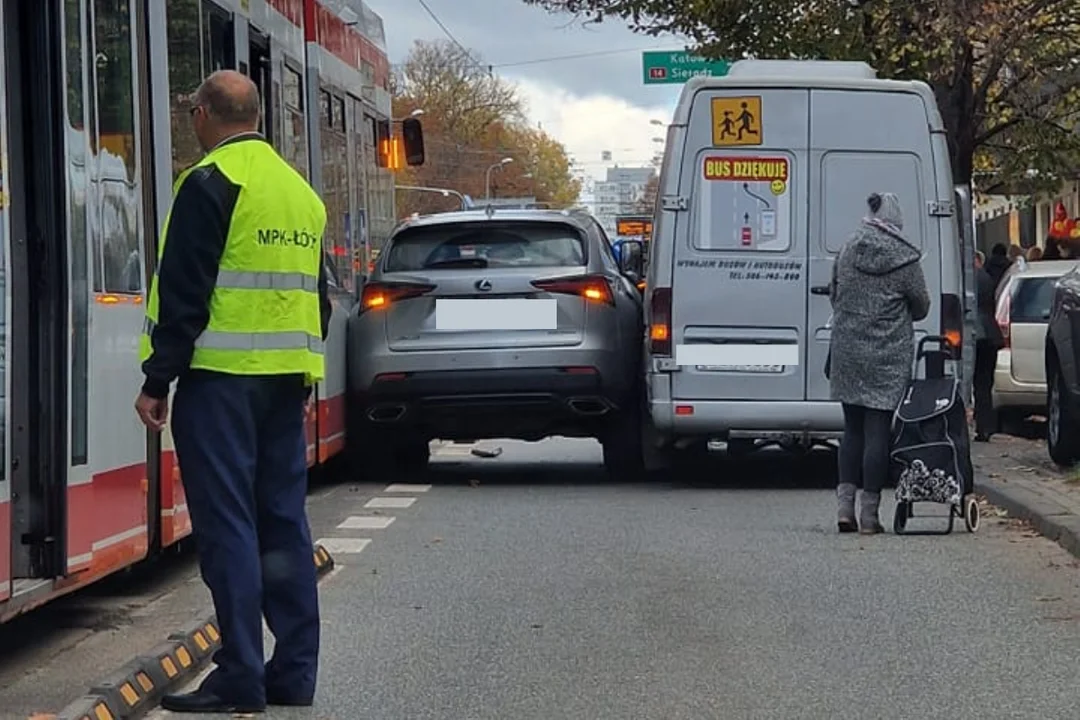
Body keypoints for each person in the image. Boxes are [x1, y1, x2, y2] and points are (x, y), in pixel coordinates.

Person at [134, 70, 331, 713]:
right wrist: (302, 375)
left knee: (228, 530)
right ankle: (295, 675)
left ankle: (240, 674)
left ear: (202, 115)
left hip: (220, 384)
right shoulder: (301, 193)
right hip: (284, 385)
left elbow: (186, 293)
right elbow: (318, 302)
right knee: (283, 526)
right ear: (258, 114)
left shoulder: (211, 182)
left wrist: (158, 377)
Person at [830, 192, 930, 534]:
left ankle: (844, 508)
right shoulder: (905, 260)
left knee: (851, 429)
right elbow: (922, 307)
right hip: (888, 354)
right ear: (896, 222)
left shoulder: (847, 250)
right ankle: (870, 515)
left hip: (848, 351)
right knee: (877, 431)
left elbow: (834, 293)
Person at [972, 250, 1005, 441]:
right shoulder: (987, 278)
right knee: (985, 383)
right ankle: (985, 425)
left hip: (976, 334)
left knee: (977, 383)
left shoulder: (969, 278)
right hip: (990, 334)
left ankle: (982, 423)